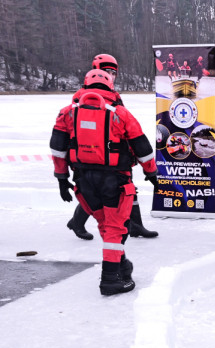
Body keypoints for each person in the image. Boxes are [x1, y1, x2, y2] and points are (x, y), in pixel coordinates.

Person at [50, 69, 158, 296]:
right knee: (115, 229)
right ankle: (110, 280)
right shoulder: (121, 114)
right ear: (110, 87)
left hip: (82, 179)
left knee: (107, 226)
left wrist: (61, 178)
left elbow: (57, 150)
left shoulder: (66, 114)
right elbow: (143, 148)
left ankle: (121, 266)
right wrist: (152, 174)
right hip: (114, 180)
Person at [65, 54, 158, 240]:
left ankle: (136, 225)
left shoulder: (112, 95)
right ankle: (78, 221)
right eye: (106, 71)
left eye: (113, 72)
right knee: (99, 191)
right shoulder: (86, 98)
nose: (111, 75)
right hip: (98, 155)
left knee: (125, 188)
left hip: (115, 152)